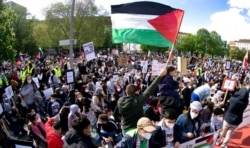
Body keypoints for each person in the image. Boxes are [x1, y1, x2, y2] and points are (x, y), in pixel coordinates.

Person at [117, 68, 167, 133]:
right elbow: (150, 89)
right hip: (137, 129)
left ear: (126, 91)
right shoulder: (138, 101)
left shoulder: (120, 101)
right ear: (136, 92)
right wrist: (160, 75)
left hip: (126, 129)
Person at [216, 82, 249, 148]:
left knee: (223, 131)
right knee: (229, 134)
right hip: (236, 120)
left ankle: (218, 141)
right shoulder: (246, 102)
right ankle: (224, 145)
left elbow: (227, 104)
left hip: (228, 118)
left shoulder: (233, 99)